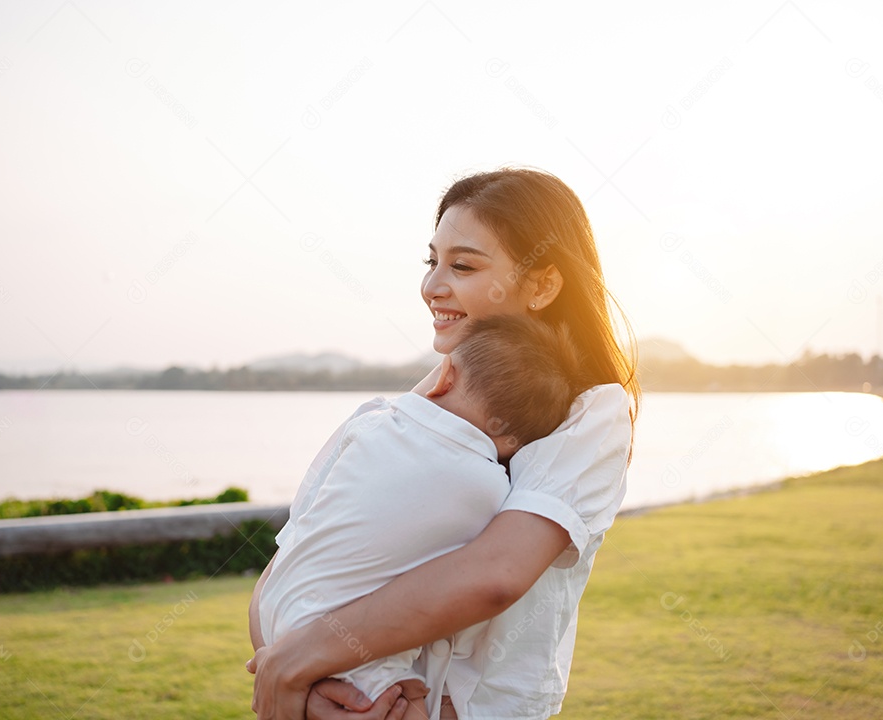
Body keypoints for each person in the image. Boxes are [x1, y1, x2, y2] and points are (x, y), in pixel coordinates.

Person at [249, 167, 640, 720]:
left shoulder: (592, 411)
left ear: (543, 285)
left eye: (463, 265)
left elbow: (496, 574)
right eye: (431, 261)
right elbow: (302, 551)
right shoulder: (424, 402)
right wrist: (297, 675)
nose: (434, 285)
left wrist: (298, 661)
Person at [252, 315, 585, 720]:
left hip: (274, 613)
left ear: (444, 376)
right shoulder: (494, 491)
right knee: (405, 706)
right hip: (346, 650)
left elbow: (300, 529)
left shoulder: (371, 422)